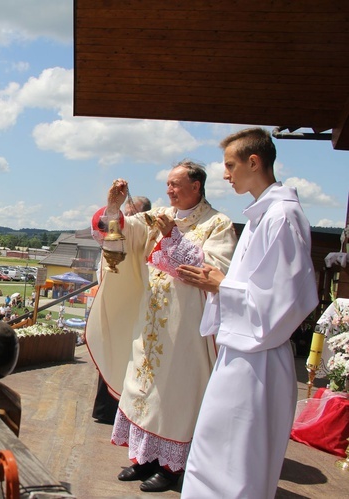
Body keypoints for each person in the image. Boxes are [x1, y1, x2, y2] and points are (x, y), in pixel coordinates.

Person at [179, 128, 318, 498]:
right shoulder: (262, 215)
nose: (225, 174)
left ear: (253, 162)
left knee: (237, 461)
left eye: (230, 165)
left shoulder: (282, 217)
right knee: (215, 450)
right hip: (242, 352)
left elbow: (284, 300)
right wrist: (219, 284)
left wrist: (221, 284)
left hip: (260, 357)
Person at [87, 161, 237, 493]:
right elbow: (117, 240)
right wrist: (113, 206)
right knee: (142, 389)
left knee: (174, 395)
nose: (168, 190)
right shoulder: (156, 218)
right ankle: (143, 460)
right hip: (150, 320)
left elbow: (213, 273)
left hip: (186, 329)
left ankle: (171, 467)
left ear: (196, 186)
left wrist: (171, 236)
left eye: (175, 184)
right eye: (167, 184)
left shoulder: (217, 224)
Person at [88, 195, 152, 425]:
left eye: (131, 212)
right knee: (112, 351)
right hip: (116, 302)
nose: (127, 218)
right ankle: (105, 409)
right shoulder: (120, 231)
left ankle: (120, 411)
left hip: (134, 302)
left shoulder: (145, 232)